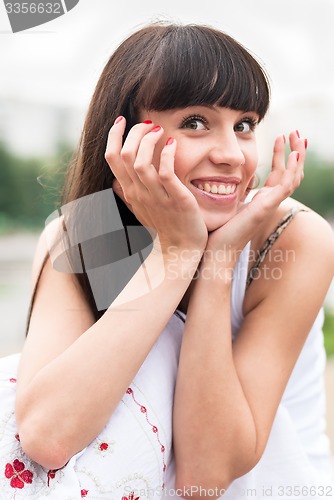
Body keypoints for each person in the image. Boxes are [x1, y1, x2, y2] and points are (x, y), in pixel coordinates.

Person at [0, 22, 333, 500]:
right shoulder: (83, 233)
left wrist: (218, 260)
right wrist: (175, 256)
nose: (231, 155)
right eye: (195, 122)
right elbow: (47, 436)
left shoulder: (292, 238)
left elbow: (205, 475)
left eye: (244, 125)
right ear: (128, 138)